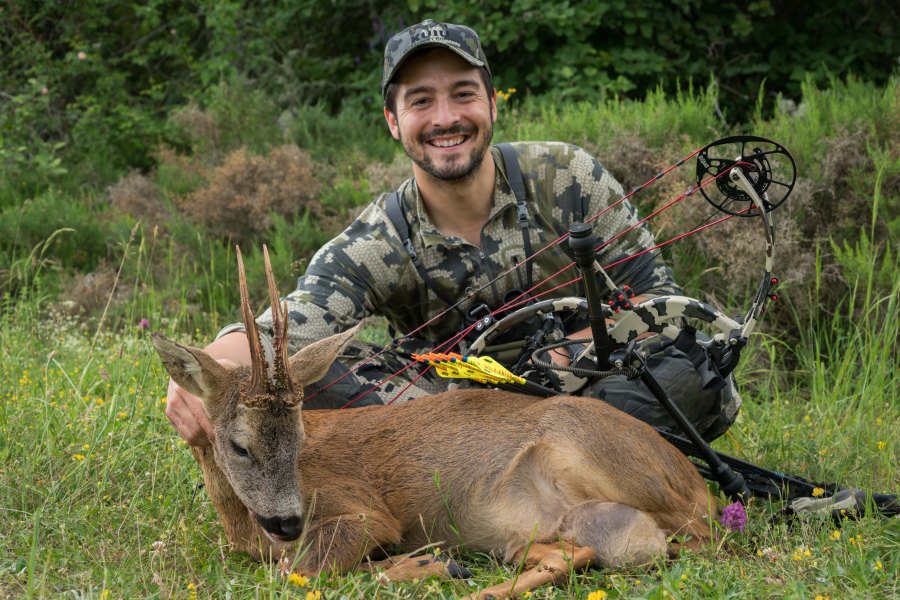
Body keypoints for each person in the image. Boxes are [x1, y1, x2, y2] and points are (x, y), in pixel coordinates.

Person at [165, 19, 740, 448]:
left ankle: (540, 467)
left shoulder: (567, 175)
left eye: (463, 94)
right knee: (313, 378)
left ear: (491, 103)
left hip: (594, 389)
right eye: (421, 101)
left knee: (690, 365)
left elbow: (660, 299)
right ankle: (560, 467)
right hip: (455, 418)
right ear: (394, 122)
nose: (446, 118)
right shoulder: (376, 241)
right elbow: (288, 330)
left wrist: (573, 354)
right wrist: (202, 373)